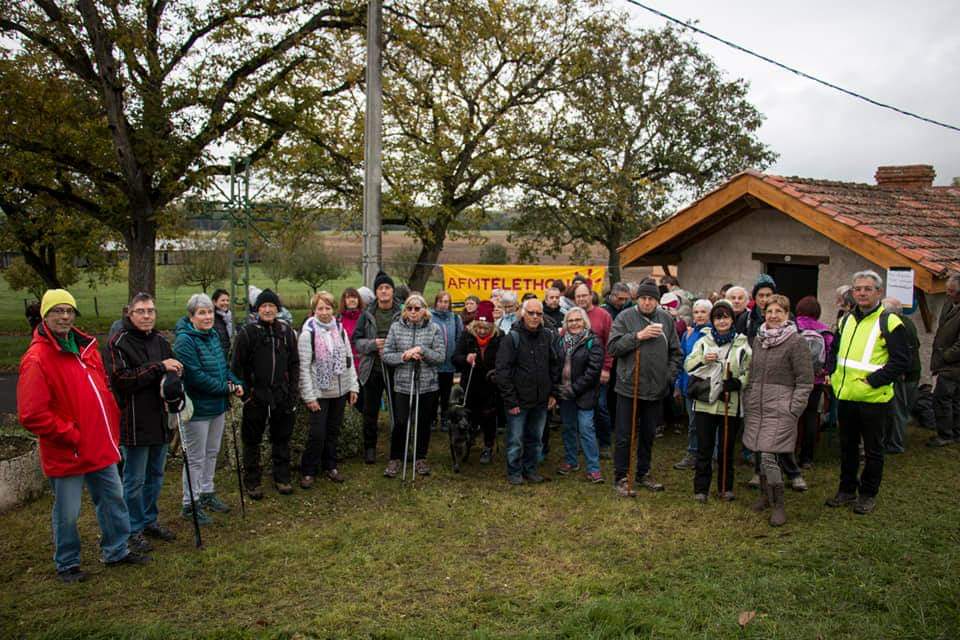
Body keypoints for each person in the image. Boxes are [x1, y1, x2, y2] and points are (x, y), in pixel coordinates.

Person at [18, 289, 150, 583]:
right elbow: (32, 414)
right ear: (45, 315)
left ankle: (116, 550)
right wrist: (69, 433)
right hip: (69, 450)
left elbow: (99, 387)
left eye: (69, 311)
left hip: (99, 444)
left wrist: (110, 420)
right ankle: (67, 563)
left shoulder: (86, 347)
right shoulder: (37, 359)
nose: (64, 317)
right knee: (68, 512)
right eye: (57, 311)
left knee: (114, 499)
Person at [826, 271, 909, 515]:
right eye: (858, 288)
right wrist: (832, 373)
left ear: (878, 293)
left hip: (873, 398)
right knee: (847, 447)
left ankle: (868, 494)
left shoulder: (890, 321)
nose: (862, 293)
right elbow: (835, 351)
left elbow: (901, 361)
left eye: (867, 289)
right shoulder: (846, 320)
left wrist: (873, 381)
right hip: (846, 395)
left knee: (873, 450)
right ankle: (846, 489)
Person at [107, 292, 182, 553]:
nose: (147, 315)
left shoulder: (161, 340)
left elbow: (172, 368)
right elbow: (122, 379)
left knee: (156, 476)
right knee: (134, 479)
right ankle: (132, 528)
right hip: (134, 420)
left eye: (151, 310)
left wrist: (175, 377)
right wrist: (160, 367)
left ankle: (149, 520)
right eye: (141, 311)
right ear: (130, 313)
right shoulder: (120, 342)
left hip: (160, 419)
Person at [742, 294, 813, 526]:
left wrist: (793, 409)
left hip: (781, 407)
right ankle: (764, 495)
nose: (773, 316)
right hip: (757, 405)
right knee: (760, 454)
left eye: (778, 312)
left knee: (770, 455)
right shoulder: (759, 340)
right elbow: (752, 373)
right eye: (770, 311)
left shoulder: (796, 342)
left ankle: (779, 505)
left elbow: (805, 380)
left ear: (787, 315)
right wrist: (748, 396)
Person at [607, 281, 682, 496]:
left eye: (651, 299)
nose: (647, 302)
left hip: (656, 389)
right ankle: (621, 476)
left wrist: (668, 378)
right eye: (643, 298)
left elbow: (676, 353)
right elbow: (612, 348)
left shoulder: (666, 319)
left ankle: (643, 472)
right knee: (624, 435)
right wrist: (638, 336)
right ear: (636, 299)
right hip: (629, 387)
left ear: (657, 301)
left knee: (648, 434)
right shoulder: (625, 318)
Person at [175, 293, 244, 522]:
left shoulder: (213, 335)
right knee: (195, 457)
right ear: (192, 316)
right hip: (197, 409)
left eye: (210, 312)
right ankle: (190, 503)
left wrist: (235, 381)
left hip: (217, 406)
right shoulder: (185, 340)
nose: (207, 317)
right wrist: (226, 388)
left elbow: (222, 367)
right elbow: (195, 376)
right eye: (202, 313)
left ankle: (207, 492)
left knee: (212, 452)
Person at [232, 288, 300, 498]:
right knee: (252, 439)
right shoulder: (248, 333)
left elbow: (294, 363)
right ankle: (252, 481)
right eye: (264, 306)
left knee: (282, 437)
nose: (268, 310)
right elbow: (237, 365)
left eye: (272, 306)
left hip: (281, 393)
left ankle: (282, 477)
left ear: (278, 309)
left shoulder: (286, 332)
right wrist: (246, 394)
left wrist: (292, 391)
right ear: (257, 309)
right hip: (256, 395)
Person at [684, 300, 751, 502]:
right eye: (717, 317)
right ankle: (701, 489)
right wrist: (704, 359)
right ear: (713, 321)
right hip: (705, 402)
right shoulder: (703, 341)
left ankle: (725, 487)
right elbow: (688, 365)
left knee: (726, 449)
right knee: (704, 448)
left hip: (729, 404)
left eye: (725, 317)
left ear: (732, 319)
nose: (722, 321)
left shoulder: (742, 344)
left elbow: (750, 370)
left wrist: (738, 382)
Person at [495, 298, 561, 485]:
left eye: (538, 314)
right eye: (531, 313)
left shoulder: (548, 337)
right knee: (516, 440)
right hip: (518, 401)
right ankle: (514, 471)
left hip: (541, 401)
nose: (534, 316)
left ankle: (530, 470)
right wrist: (511, 401)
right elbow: (502, 371)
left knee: (536, 439)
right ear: (523, 313)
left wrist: (553, 393)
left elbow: (554, 366)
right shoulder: (512, 338)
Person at [298, 291, 358, 487]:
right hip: (319, 392)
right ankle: (308, 470)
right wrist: (309, 396)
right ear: (314, 310)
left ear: (334, 309)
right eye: (320, 308)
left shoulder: (339, 329)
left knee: (333, 431)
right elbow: (304, 368)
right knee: (317, 434)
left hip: (340, 391)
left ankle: (330, 465)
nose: (324, 312)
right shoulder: (308, 333)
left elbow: (349, 360)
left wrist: (353, 387)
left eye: (328, 308)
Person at [382, 294, 446, 477]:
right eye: (409, 308)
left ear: (424, 310)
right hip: (402, 384)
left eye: (417, 308)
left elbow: (440, 357)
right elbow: (386, 355)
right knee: (401, 422)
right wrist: (404, 356)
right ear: (405, 310)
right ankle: (396, 458)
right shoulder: (396, 328)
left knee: (423, 422)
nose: (413, 312)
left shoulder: (434, 329)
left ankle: (420, 457)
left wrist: (422, 351)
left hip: (427, 384)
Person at [353, 271, 403, 463]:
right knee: (370, 411)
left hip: (395, 368)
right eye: (380, 288)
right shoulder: (366, 314)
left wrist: (390, 348)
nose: (384, 291)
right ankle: (370, 448)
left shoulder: (402, 313)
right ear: (376, 292)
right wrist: (374, 344)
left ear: (392, 291)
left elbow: (408, 337)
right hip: (372, 369)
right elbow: (357, 341)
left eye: (387, 287)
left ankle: (398, 448)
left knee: (397, 411)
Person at [554, 307, 604, 483]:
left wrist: (574, 389)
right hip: (564, 393)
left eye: (578, 320)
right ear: (566, 323)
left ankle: (594, 468)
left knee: (586, 430)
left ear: (584, 322)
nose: (574, 323)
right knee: (568, 428)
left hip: (584, 395)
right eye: (570, 320)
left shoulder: (593, 341)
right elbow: (555, 365)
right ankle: (571, 461)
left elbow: (593, 371)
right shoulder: (560, 341)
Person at [452, 301, 502, 464]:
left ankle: (488, 446)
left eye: (485, 328)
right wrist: (465, 358)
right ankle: (469, 438)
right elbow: (455, 358)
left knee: (489, 416)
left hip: (490, 385)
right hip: (470, 384)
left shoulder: (500, 337)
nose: (481, 331)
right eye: (479, 327)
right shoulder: (467, 335)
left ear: (492, 327)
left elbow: (505, 360)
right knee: (470, 414)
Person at [573, 282, 614, 459]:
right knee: (578, 409)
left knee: (601, 407)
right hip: (577, 373)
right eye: (578, 296)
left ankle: (604, 443)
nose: (581, 299)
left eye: (584, 295)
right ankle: (583, 442)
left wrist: (606, 368)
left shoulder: (603, 315)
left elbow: (610, 344)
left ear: (591, 295)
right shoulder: (573, 315)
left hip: (598, 372)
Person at [794, 296, 834, 467]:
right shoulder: (825, 331)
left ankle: (788, 452)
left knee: (793, 417)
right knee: (811, 416)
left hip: (794, 379)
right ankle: (807, 458)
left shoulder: (793, 327)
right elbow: (831, 357)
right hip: (815, 381)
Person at [674, 299, 713, 470]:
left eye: (703, 312)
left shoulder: (714, 334)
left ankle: (711, 457)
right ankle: (692, 453)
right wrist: (678, 385)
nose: (699, 315)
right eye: (696, 312)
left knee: (710, 424)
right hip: (690, 386)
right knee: (693, 423)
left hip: (708, 385)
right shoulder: (687, 334)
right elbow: (682, 359)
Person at [881, 298, 920, 454]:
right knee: (899, 410)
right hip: (910, 372)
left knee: (898, 411)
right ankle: (893, 441)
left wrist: (900, 372)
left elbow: (905, 352)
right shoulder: (907, 322)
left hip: (904, 375)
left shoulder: (898, 326)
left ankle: (895, 444)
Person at [928, 273, 960, 447]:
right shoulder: (949, 304)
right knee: (952, 400)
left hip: (952, 366)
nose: (948, 294)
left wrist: (946, 356)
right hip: (945, 363)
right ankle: (954, 432)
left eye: (952, 291)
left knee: (943, 399)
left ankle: (946, 434)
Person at [431, 290, 464, 433]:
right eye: (440, 301)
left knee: (446, 394)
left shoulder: (455, 318)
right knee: (433, 394)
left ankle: (445, 418)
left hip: (449, 364)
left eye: (446, 302)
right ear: (436, 302)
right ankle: (432, 419)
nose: (443, 305)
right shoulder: (429, 317)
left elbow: (459, 338)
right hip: (433, 364)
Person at [338, 287, 365, 372]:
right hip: (346, 364)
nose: (352, 300)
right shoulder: (338, 320)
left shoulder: (366, 318)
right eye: (348, 297)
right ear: (344, 301)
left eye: (354, 297)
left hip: (363, 364)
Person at [748, 274, 777, 342]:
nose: (764, 299)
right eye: (761, 295)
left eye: (768, 295)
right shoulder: (746, 319)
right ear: (755, 297)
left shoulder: (785, 317)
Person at [211, 289, 233, 362]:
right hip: (217, 357)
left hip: (228, 355)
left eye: (227, 300)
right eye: (222, 300)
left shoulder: (228, 317)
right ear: (214, 302)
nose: (226, 303)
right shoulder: (211, 319)